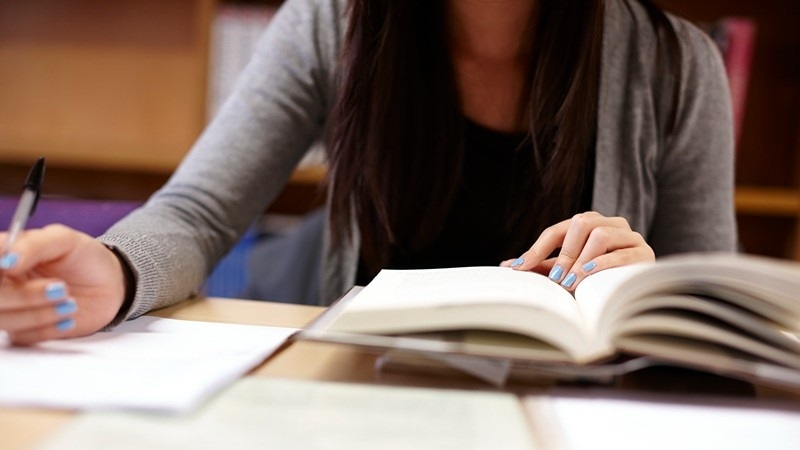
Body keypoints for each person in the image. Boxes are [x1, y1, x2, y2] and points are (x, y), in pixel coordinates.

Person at [0, 0, 736, 345]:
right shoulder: (330, 23)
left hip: (570, 413)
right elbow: (198, 211)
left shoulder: (677, 68)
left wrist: (644, 281)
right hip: (365, 393)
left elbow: (722, 316)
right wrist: (118, 269)